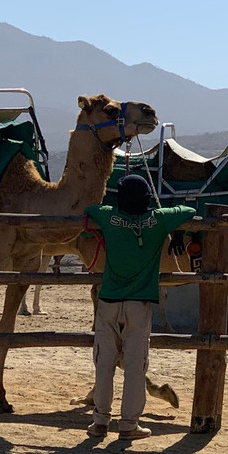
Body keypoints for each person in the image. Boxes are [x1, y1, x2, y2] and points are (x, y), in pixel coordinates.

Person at [83, 174, 196, 440]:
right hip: (139, 304)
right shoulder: (158, 220)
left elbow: (89, 209)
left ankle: (100, 422)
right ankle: (129, 425)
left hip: (108, 302)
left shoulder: (109, 218)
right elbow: (189, 210)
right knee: (135, 367)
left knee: (104, 364)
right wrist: (159, 216)